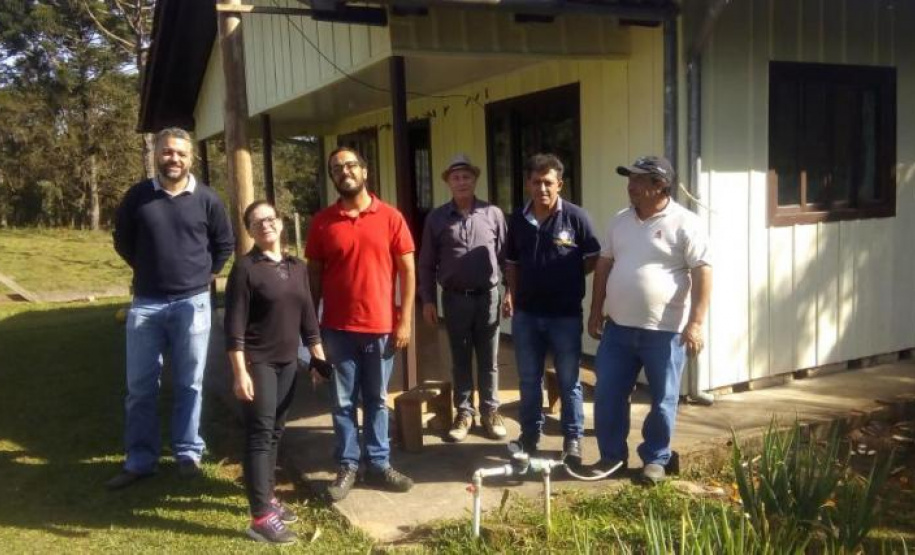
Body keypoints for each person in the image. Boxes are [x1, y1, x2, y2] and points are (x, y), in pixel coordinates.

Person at [108, 127, 234, 489]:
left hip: (193, 303)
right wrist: (147, 269)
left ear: (190, 157)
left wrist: (203, 275)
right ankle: (140, 459)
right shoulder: (138, 197)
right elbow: (123, 241)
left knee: (190, 383)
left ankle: (187, 451)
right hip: (146, 303)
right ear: (156, 155)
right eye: (167, 152)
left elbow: (223, 243)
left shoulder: (208, 199)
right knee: (140, 386)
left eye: (180, 153)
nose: (173, 158)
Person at [587, 156, 712, 484]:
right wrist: (595, 310)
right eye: (630, 178)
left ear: (660, 185)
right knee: (608, 394)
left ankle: (656, 458)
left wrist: (696, 323)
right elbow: (603, 266)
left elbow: (702, 271)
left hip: (665, 332)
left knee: (663, 398)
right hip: (618, 328)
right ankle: (611, 456)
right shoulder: (619, 221)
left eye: (640, 179)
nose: (631, 184)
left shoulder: (685, 222)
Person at [305, 147, 416, 502]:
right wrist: (313, 330)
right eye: (336, 168)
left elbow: (408, 272)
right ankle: (348, 464)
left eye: (351, 165)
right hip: (337, 328)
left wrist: (405, 321)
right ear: (333, 177)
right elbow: (314, 278)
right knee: (341, 401)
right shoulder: (322, 222)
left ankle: (379, 464)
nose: (344, 172)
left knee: (377, 400)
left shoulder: (391, 217)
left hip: (381, 328)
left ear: (365, 172)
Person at [225, 200, 334, 543]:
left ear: (281, 223)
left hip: (288, 363)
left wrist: (317, 360)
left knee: (275, 431)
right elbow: (234, 327)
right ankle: (260, 517)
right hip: (258, 362)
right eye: (257, 222)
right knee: (260, 433)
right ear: (250, 231)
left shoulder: (296, 266)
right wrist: (239, 372)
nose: (266, 225)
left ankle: (268, 498)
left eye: (270, 219)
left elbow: (308, 321)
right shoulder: (245, 269)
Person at [503, 153, 601, 465]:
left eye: (548, 182)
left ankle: (573, 438)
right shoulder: (517, 219)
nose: (542, 188)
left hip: (565, 315)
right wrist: (512, 295)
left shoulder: (576, 217)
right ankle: (530, 436)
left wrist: (568, 277)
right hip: (527, 316)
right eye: (536, 182)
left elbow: (594, 257)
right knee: (529, 380)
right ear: (528, 184)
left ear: (559, 184)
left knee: (569, 380)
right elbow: (512, 264)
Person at [418, 154, 508, 442]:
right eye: (455, 178)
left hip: (488, 298)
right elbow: (426, 263)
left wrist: (511, 293)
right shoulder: (437, 218)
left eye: (466, 176)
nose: (461, 182)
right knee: (460, 358)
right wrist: (428, 299)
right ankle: (464, 412)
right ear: (448, 182)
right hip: (455, 299)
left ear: (474, 180)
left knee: (489, 358)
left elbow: (507, 259)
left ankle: (491, 411)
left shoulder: (493, 213)